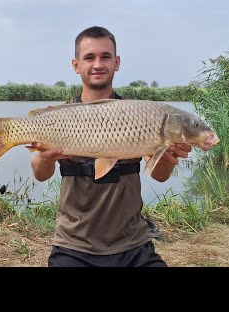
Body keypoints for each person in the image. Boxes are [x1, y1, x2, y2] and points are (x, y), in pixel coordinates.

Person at [30, 26, 192, 267]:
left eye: (105, 57)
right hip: (73, 245)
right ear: (76, 65)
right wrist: (44, 158)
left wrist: (167, 157)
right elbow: (41, 175)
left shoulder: (138, 115)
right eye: (89, 57)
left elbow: (159, 176)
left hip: (132, 245)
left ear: (116, 62)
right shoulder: (60, 116)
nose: (98, 64)